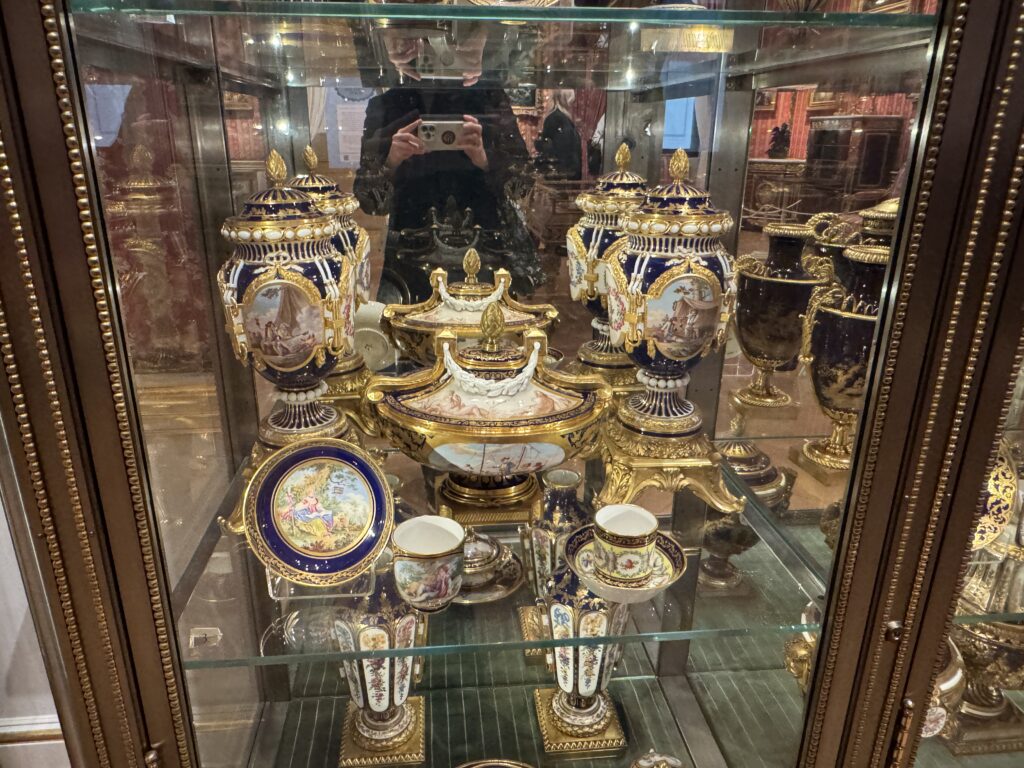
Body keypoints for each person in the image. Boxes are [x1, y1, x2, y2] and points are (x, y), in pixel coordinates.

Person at [354, 24, 537, 300]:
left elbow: (523, 184)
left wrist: (485, 158)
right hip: (411, 249)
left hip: (483, 247)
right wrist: (391, 159)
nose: (438, 54)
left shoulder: (487, 99)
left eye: (444, 41)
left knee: (483, 325)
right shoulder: (389, 105)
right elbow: (368, 201)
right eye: (428, 40)